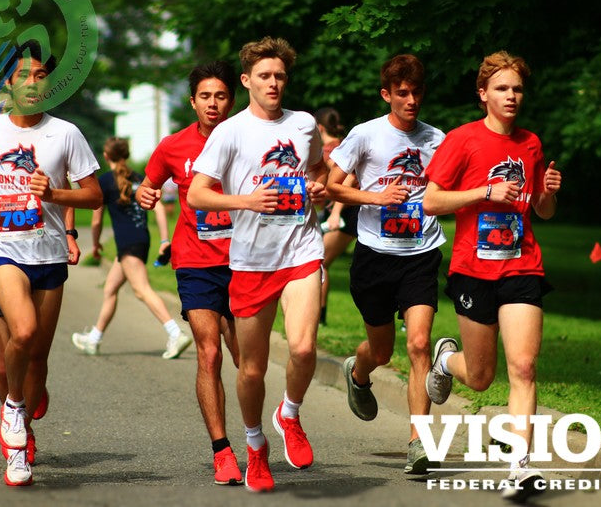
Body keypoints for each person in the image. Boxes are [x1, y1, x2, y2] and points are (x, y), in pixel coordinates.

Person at [0, 40, 102, 486]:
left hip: (48, 253)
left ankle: (22, 425)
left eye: (40, 76)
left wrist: (53, 193)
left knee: (37, 359)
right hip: (2, 250)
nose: (32, 83)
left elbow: (94, 196)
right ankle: (14, 415)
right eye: (23, 75)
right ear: (8, 83)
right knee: (25, 331)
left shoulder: (66, 133)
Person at [186, 37, 327, 493]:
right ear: (246, 80)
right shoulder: (230, 132)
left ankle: (289, 413)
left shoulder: (303, 124)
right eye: (264, 76)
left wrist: (318, 186)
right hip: (251, 260)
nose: (273, 83)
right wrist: (245, 200)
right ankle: (254, 444)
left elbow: (319, 169)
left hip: (301, 249)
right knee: (251, 369)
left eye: (280, 76)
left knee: (303, 348)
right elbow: (197, 194)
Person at [422, 50, 562, 503]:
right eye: (502, 88)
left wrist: (547, 194)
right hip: (473, 269)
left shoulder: (531, 143)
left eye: (517, 88)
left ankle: (520, 467)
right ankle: (447, 361)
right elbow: (431, 202)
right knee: (481, 377)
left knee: (523, 366)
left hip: (522, 264)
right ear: (483, 93)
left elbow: (541, 210)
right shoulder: (461, 140)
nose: (511, 96)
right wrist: (485, 191)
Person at [326, 54, 446, 474]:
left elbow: (450, 189)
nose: (411, 100)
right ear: (386, 94)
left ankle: (418, 442)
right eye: (402, 93)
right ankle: (358, 373)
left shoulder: (436, 140)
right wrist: (376, 197)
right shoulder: (366, 135)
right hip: (375, 256)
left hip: (421, 254)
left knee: (419, 344)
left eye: (416, 92)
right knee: (380, 350)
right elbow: (332, 187)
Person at [134, 61, 243, 485]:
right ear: (192, 102)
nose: (213, 104)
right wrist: (145, 194)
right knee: (208, 352)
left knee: (245, 360)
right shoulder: (173, 146)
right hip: (196, 261)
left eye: (220, 96)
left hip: (244, 261)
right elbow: (149, 184)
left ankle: (259, 433)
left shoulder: (247, 139)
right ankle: (222, 451)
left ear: (231, 100)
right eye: (205, 96)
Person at [70, 138, 192, 359]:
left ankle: (176, 333)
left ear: (106, 156)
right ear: (125, 154)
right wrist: (164, 240)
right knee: (110, 289)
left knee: (141, 289)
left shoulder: (105, 181)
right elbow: (159, 209)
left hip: (127, 243)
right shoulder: (139, 178)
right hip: (141, 240)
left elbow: (96, 220)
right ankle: (93, 339)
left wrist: (95, 245)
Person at [314, 107, 358, 326]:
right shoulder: (342, 145)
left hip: (347, 213)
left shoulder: (330, 150)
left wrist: (336, 213)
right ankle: (319, 317)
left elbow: (349, 178)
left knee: (319, 262)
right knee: (319, 263)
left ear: (319, 127)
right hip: (345, 211)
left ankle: (319, 317)